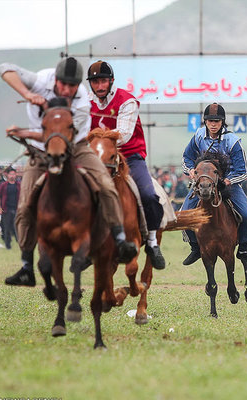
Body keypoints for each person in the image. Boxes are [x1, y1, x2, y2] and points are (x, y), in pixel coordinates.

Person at [0, 57, 138, 287]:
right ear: (55, 79)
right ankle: (26, 266)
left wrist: (25, 132)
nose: (68, 90)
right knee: (24, 206)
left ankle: (121, 240)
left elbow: (65, 137)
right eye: (64, 84)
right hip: (41, 152)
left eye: (73, 86)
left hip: (74, 147)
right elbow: (5, 68)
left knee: (105, 184)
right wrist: (28, 94)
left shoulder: (82, 100)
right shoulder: (40, 79)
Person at [87, 60, 166, 269]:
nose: (100, 86)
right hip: (98, 159)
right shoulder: (85, 103)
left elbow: (123, 135)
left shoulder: (127, 101)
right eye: (95, 82)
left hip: (130, 157)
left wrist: (95, 138)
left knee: (148, 195)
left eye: (103, 81)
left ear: (111, 81)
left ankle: (151, 241)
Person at [181, 103, 247, 266]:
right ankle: (195, 247)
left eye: (217, 121)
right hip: (203, 182)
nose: (213, 124)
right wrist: (190, 170)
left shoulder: (233, 140)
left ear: (222, 122)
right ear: (205, 122)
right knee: (184, 214)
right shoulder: (198, 136)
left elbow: (243, 170)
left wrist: (228, 180)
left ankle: (245, 249)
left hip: (227, 184)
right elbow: (186, 157)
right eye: (210, 121)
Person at [0, 168, 20, 249]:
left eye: (13, 174)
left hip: (17, 209)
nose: (12, 176)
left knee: (17, 228)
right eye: (10, 174)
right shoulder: (3, 185)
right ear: (7, 175)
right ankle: (7, 245)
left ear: (16, 175)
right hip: (6, 209)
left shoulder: (19, 185)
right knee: (6, 228)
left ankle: (20, 243)